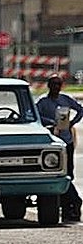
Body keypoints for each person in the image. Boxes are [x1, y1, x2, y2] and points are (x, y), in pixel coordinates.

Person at [36, 74, 83, 222]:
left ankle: (72, 203)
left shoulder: (65, 99)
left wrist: (72, 122)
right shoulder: (42, 102)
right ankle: (68, 202)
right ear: (48, 86)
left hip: (66, 141)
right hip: (51, 145)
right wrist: (49, 122)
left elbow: (80, 110)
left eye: (58, 84)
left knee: (68, 173)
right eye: (53, 84)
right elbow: (34, 116)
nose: (56, 87)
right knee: (55, 174)